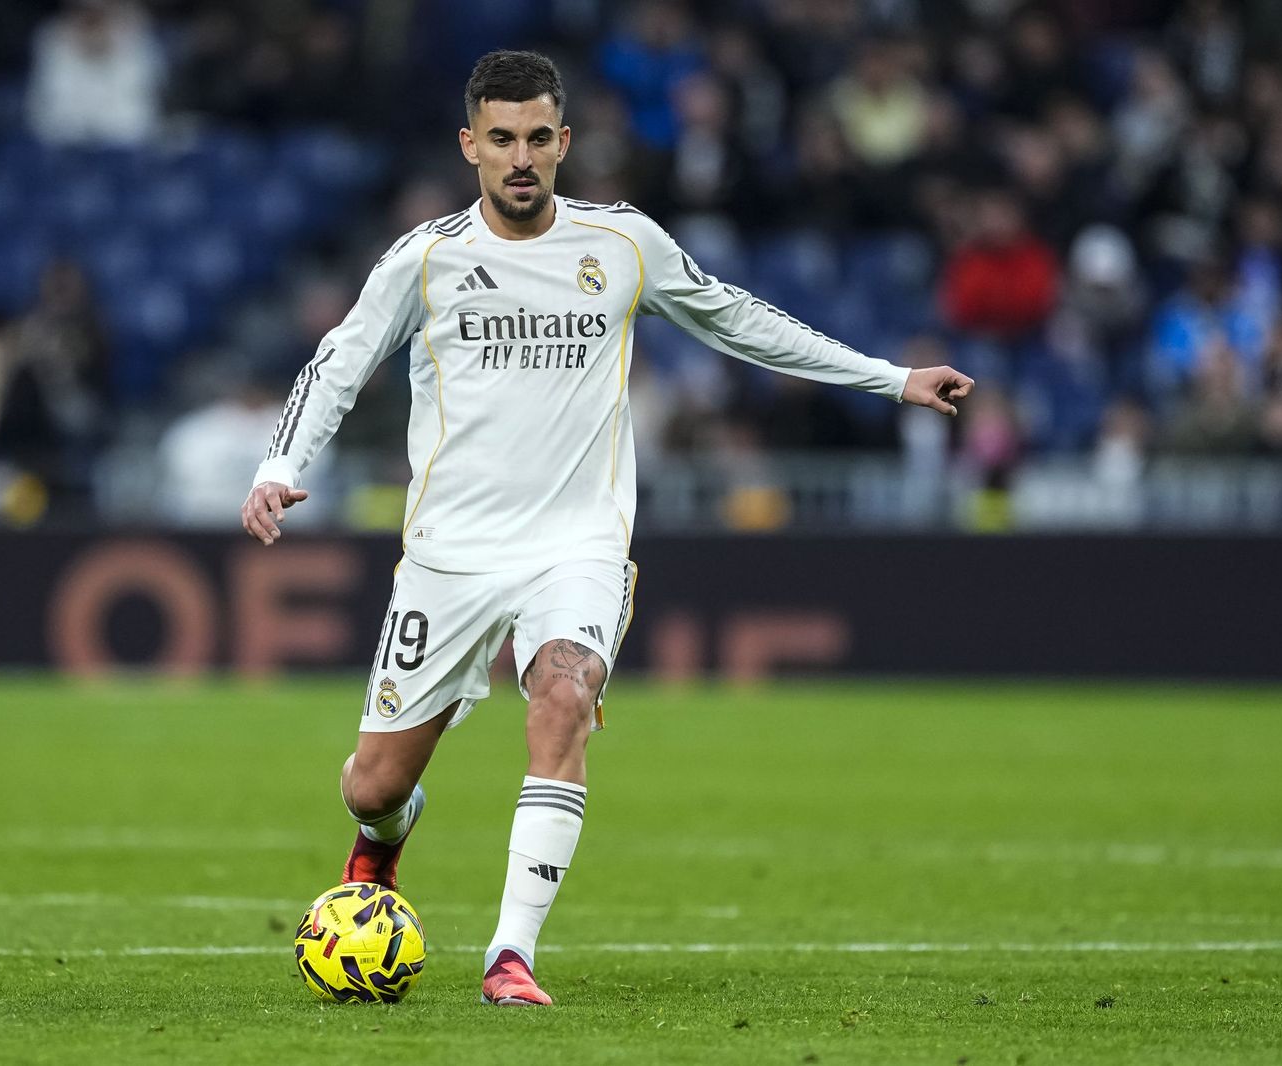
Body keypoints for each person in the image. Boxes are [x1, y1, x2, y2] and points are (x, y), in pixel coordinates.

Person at [238, 50, 973, 1007]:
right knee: (374, 783)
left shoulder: (622, 245)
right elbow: (337, 364)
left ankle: (511, 957)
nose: (521, 157)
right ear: (470, 146)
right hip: (450, 558)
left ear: (564, 142)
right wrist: (281, 466)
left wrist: (890, 377)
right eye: (501, 139)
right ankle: (381, 842)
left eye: (539, 137)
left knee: (564, 696)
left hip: (575, 545)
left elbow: (740, 320)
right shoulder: (424, 260)